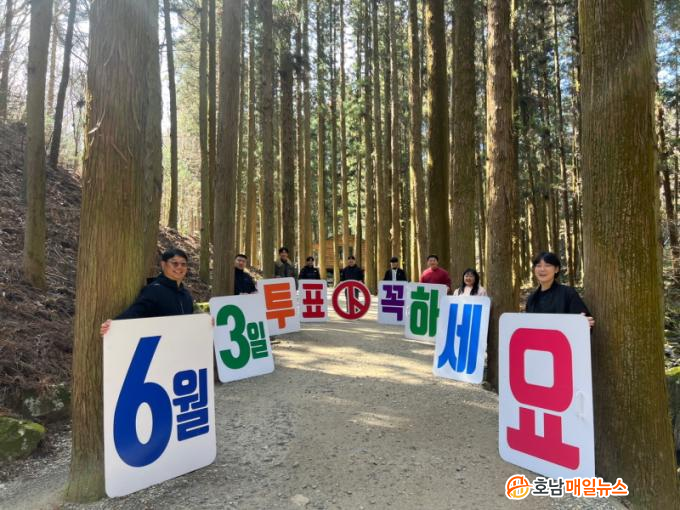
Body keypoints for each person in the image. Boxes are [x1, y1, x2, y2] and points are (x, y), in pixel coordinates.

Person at [100, 248, 195, 336]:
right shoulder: (154, 290)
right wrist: (114, 325)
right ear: (163, 265)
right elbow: (136, 311)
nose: (179, 267)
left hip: (181, 345)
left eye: (183, 264)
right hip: (159, 345)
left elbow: (191, 322)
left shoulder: (186, 295)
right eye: (174, 263)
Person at [525, 251, 595, 328]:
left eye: (547, 265)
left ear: (556, 269)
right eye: (538, 266)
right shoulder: (532, 299)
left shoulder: (568, 294)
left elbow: (585, 322)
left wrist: (583, 322)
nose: (542, 269)